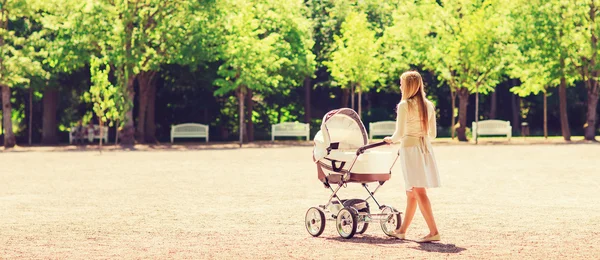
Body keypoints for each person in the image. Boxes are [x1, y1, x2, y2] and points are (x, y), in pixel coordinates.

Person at [383, 71, 441, 243]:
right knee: (411, 192)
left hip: (410, 150)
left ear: (407, 86)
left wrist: (390, 140)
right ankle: (402, 230)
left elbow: (399, 133)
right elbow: (433, 134)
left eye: (401, 83)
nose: (400, 86)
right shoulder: (428, 105)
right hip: (425, 149)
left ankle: (433, 231)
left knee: (418, 190)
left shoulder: (404, 105)